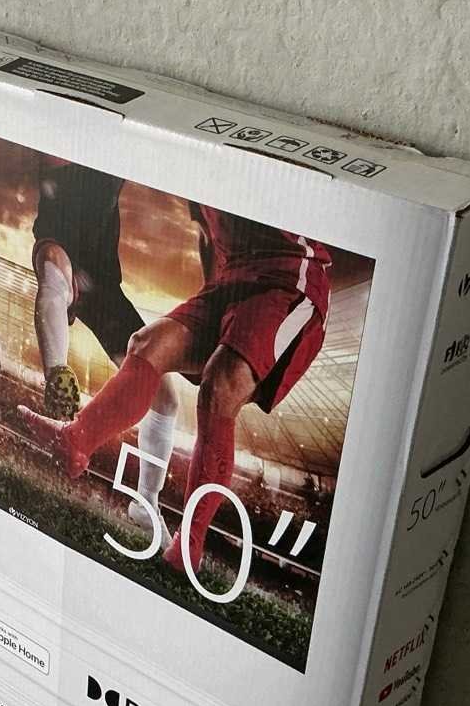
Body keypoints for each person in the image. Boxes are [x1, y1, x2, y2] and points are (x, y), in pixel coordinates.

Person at [20, 201, 332, 575]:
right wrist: (212, 306)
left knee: (219, 386)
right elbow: (207, 236)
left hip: (287, 277)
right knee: (146, 345)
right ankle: (75, 441)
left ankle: (189, 545)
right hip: (230, 279)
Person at [29, 154, 177, 525]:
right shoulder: (66, 164)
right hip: (63, 239)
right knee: (55, 271)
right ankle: (58, 384)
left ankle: (146, 505)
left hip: (101, 283)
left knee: (165, 395)